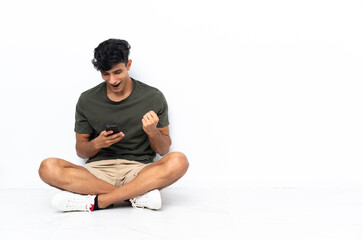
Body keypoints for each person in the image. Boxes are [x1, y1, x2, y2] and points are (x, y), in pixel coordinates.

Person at [38, 39, 189, 212]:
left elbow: (163, 150)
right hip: (97, 173)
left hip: (139, 171)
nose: (113, 80)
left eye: (118, 72)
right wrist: (97, 143)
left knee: (179, 161)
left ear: (128, 65)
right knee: (47, 167)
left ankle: (98, 202)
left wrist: (153, 132)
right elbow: (81, 150)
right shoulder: (87, 99)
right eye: (106, 74)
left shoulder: (153, 97)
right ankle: (134, 197)